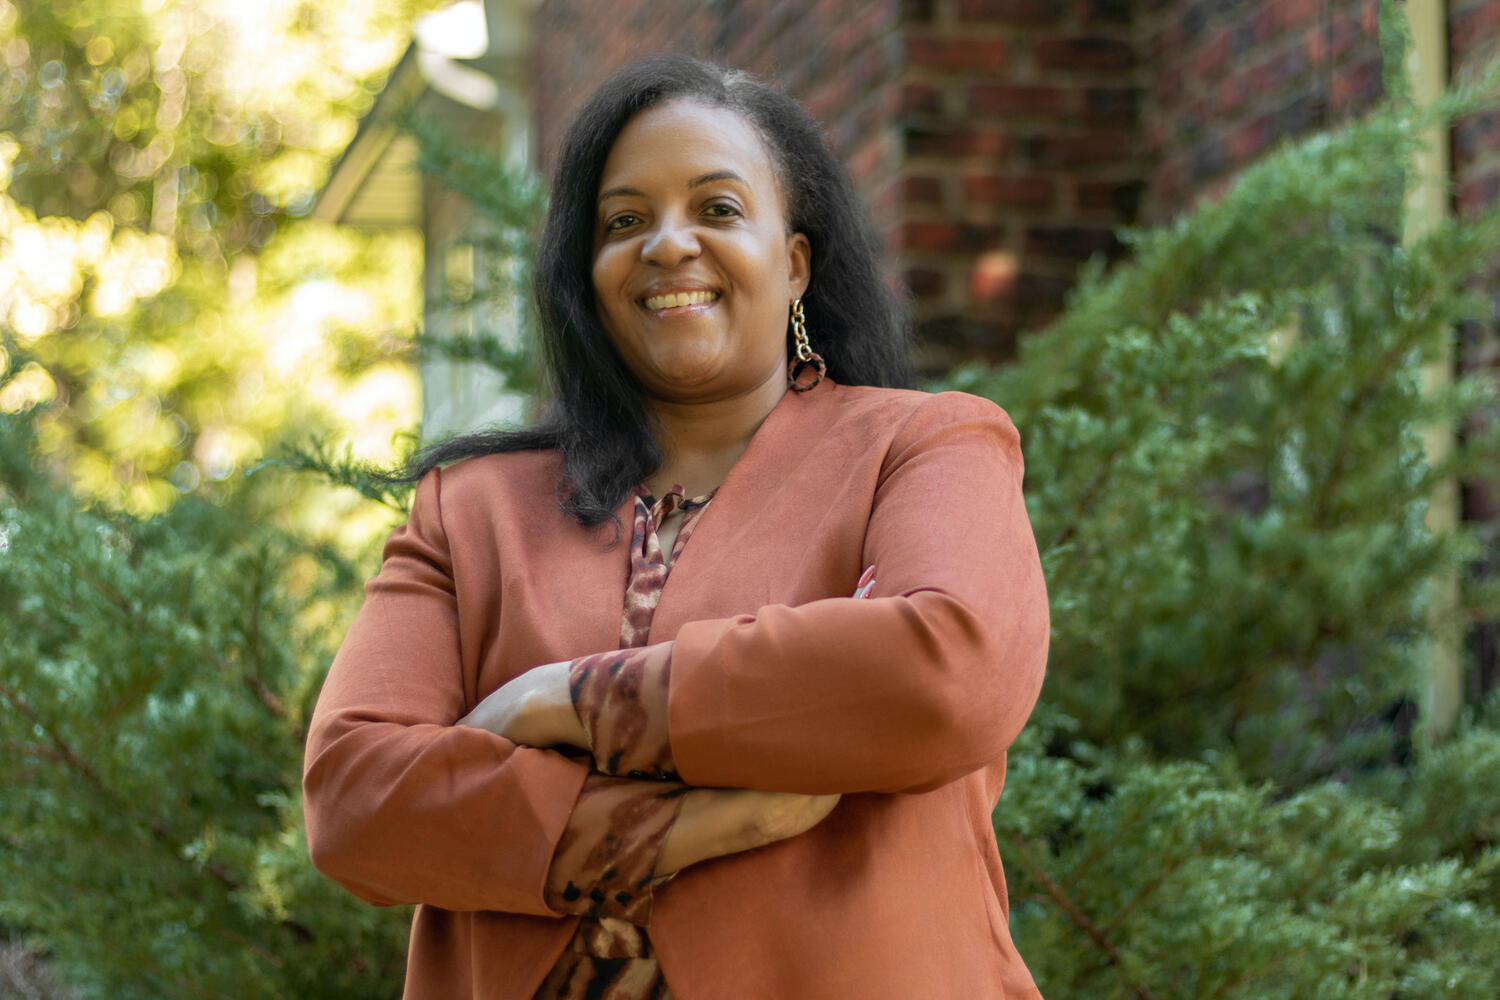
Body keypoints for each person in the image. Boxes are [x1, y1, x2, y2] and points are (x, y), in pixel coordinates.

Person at [303, 54, 1050, 1000]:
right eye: (624, 221)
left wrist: (562, 701)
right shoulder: (474, 510)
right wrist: (695, 823)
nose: (666, 244)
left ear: (795, 263)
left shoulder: (925, 448)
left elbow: (951, 669)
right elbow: (355, 798)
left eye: (718, 210)